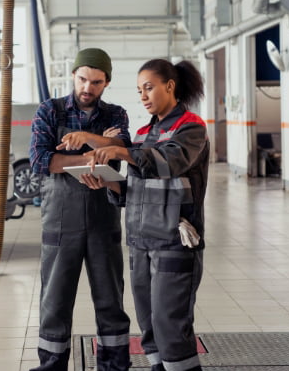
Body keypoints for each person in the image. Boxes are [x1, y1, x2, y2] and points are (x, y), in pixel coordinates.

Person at [82, 58, 209, 371]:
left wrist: (120, 151)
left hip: (173, 241)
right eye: (139, 91)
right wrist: (109, 183)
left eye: (149, 88)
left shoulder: (190, 127)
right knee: (149, 324)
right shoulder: (141, 133)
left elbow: (169, 164)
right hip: (140, 242)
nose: (143, 96)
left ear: (170, 86)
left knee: (170, 324)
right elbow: (135, 189)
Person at [29, 48, 131, 371]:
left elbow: (124, 150)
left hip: (104, 220)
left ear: (107, 83)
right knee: (55, 301)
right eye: (83, 78)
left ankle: (115, 365)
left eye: (97, 82)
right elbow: (41, 160)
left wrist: (87, 138)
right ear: (73, 75)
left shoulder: (116, 115)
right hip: (61, 223)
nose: (88, 87)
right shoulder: (50, 112)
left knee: (110, 299)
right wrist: (96, 151)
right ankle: (51, 367)